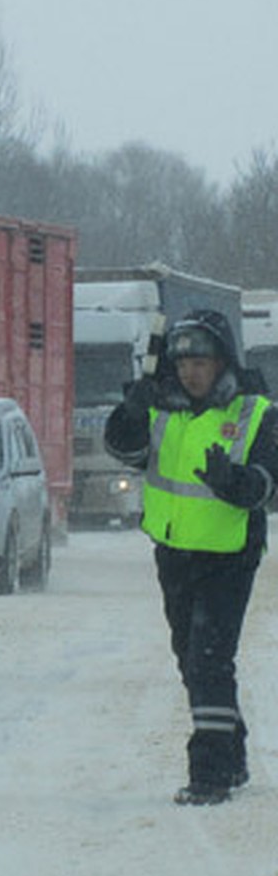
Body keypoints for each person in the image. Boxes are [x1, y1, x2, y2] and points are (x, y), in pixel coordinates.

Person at [105, 308, 278, 805]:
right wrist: (130, 414)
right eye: (183, 364)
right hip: (174, 554)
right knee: (191, 659)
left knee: (209, 660)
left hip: (228, 557)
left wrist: (238, 484)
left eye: (200, 362)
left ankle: (211, 774)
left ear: (223, 361)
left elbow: (270, 484)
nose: (190, 372)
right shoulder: (163, 408)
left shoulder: (256, 413)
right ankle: (234, 752)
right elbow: (124, 449)